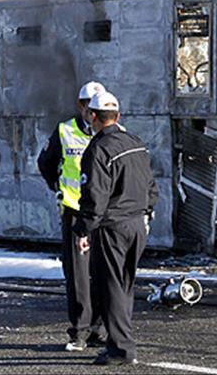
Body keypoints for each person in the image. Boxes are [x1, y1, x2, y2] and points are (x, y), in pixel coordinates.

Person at [75, 91, 158, 366]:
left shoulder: (98, 149)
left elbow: (95, 195)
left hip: (112, 226)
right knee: (124, 285)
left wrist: (83, 229)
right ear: (118, 116)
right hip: (137, 224)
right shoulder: (135, 143)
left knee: (110, 287)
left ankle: (121, 349)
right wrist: (147, 211)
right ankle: (120, 342)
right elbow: (151, 185)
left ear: (93, 116)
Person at [36, 81, 107, 352]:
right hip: (75, 211)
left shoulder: (112, 131)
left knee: (103, 271)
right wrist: (58, 187)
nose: (93, 110)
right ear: (81, 105)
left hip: (103, 212)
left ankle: (100, 328)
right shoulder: (65, 130)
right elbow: (46, 163)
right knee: (78, 275)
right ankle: (79, 331)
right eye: (89, 105)